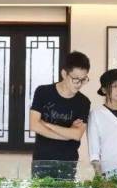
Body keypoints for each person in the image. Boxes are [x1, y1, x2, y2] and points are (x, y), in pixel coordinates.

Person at [28, 51, 92, 180]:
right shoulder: (43, 92)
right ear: (64, 74)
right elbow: (34, 125)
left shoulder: (84, 102)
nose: (79, 84)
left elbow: (76, 135)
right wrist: (67, 134)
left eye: (83, 79)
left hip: (68, 163)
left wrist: (46, 124)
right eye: (75, 79)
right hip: (42, 161)